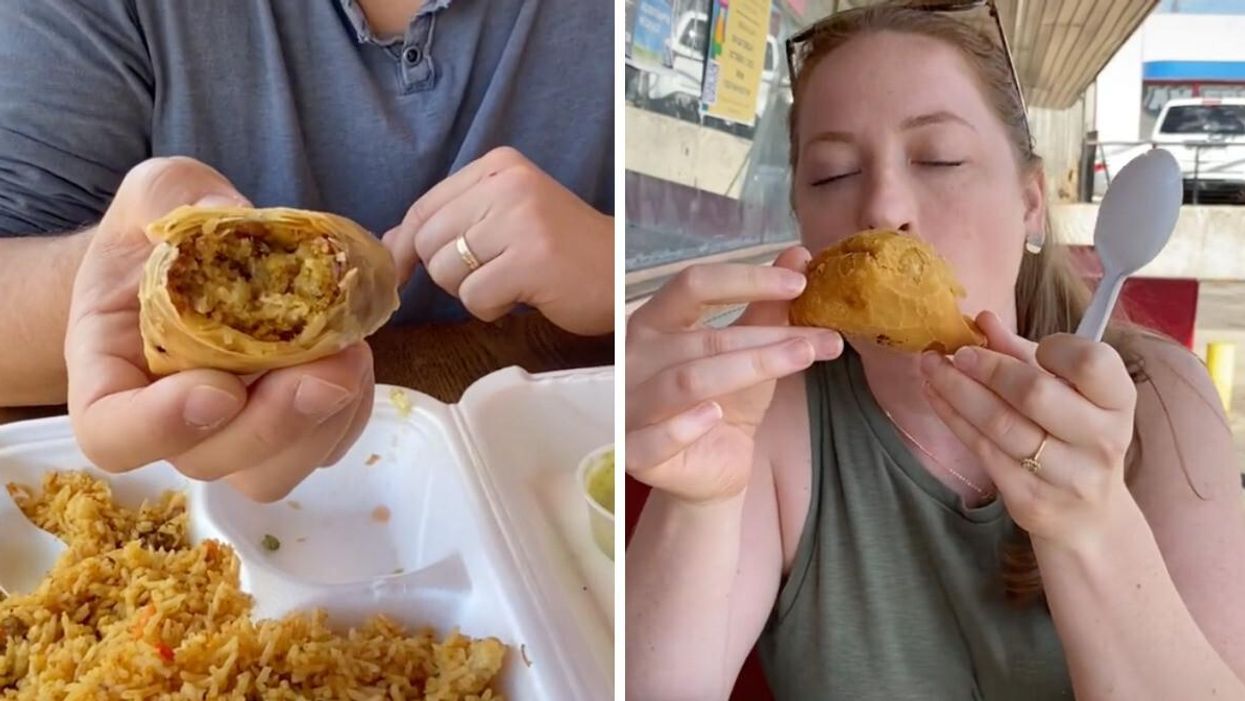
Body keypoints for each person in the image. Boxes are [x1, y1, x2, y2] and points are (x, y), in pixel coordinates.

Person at [626, 5, 1245, 700]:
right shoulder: (770, 410)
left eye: (939, 159)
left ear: (1029, 201)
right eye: (830, 174)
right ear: (801, 214)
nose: (883, 207)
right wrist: (695, 499)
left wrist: (1089, 524)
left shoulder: (1164, 400)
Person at [0, 0, 613, 501]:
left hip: (542, 479)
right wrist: (130, 294)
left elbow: (700, 265)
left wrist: (621, 272)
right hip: (163, 496)